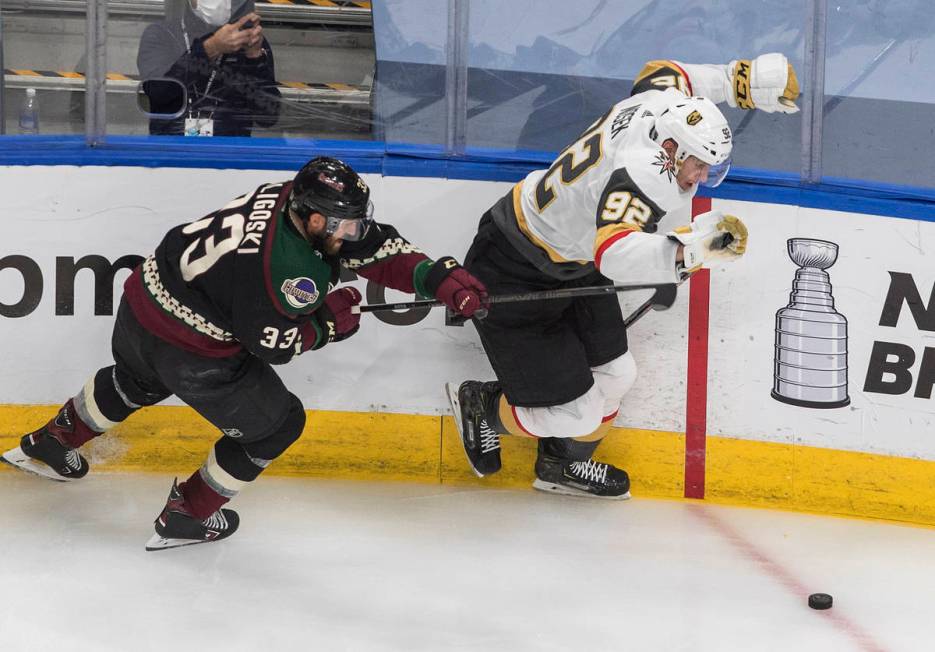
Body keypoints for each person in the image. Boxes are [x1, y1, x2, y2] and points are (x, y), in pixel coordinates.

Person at [1, 157, 488, 550]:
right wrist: (326, 325)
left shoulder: (285, 195)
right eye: (346, 226)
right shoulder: (290, 270)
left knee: (136, 380)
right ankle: (187, 515)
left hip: (141, 306)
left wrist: (437, 275)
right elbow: (272, 342)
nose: (353, 235)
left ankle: (53, 441)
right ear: (316, 218)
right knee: (278, 425)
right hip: (188, 349)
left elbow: (369, 246)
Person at [447, 53, 800, 499]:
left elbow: (661, 70)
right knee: (573, 415)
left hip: (571, 260)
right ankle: (483, 405)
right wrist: (688, 252)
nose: (703, 176)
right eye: (698, 165)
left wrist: (734, 82)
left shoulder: (662, 104)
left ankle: (562, 465)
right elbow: (613, 254)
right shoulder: (641, 173)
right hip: (513, 266)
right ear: (670, 150)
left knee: (617, 374)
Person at [137, 0, 280, 137]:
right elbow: (159, 93)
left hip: (230, 155)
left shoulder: (247, 41)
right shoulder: (161, 34)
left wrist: (254, 58)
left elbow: (268, 117)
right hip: (171, 153)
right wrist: (210, 48)